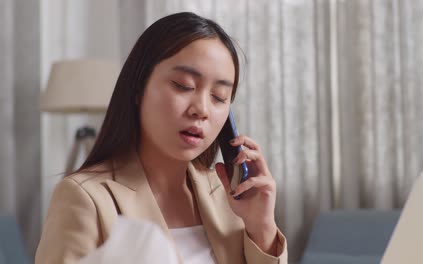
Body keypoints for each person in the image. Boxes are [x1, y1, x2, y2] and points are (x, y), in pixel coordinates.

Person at [36, 12, 287, 264]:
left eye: (219, 97)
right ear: (138, 88)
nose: (201, 109)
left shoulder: (228, 195)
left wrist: (261, 227)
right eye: (183, 85)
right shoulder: (85, 198)